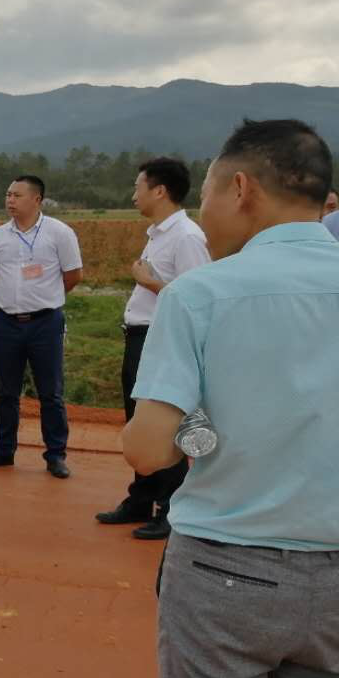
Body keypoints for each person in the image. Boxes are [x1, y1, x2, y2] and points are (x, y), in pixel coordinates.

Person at [122, 118, 339, 678]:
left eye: (214, 191)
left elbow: (148, 449)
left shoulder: (201, 294)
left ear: (242, 189)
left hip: (224, 578)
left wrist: (212, 433)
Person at [96, 159, 210, 540]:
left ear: (159, 191)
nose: (133, 194)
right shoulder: (159, 233)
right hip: (140, 336)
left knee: (160, 424)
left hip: (160, 339)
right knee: (139, 422)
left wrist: (149, 283)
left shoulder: (187, 236)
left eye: (138, 186)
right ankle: (141, 498)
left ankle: (172, 506)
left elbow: (196, 297)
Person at [0, 176, 83, 478]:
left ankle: (55, 455)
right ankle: (4, 450)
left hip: (45, 323)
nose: (10, 200)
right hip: (7, 322)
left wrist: (45, 296)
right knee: (6, 391)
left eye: (17, 195)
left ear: (37, 200)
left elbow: (73, 275)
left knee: (50, 392)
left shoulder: (59, 233)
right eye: (8, 195)